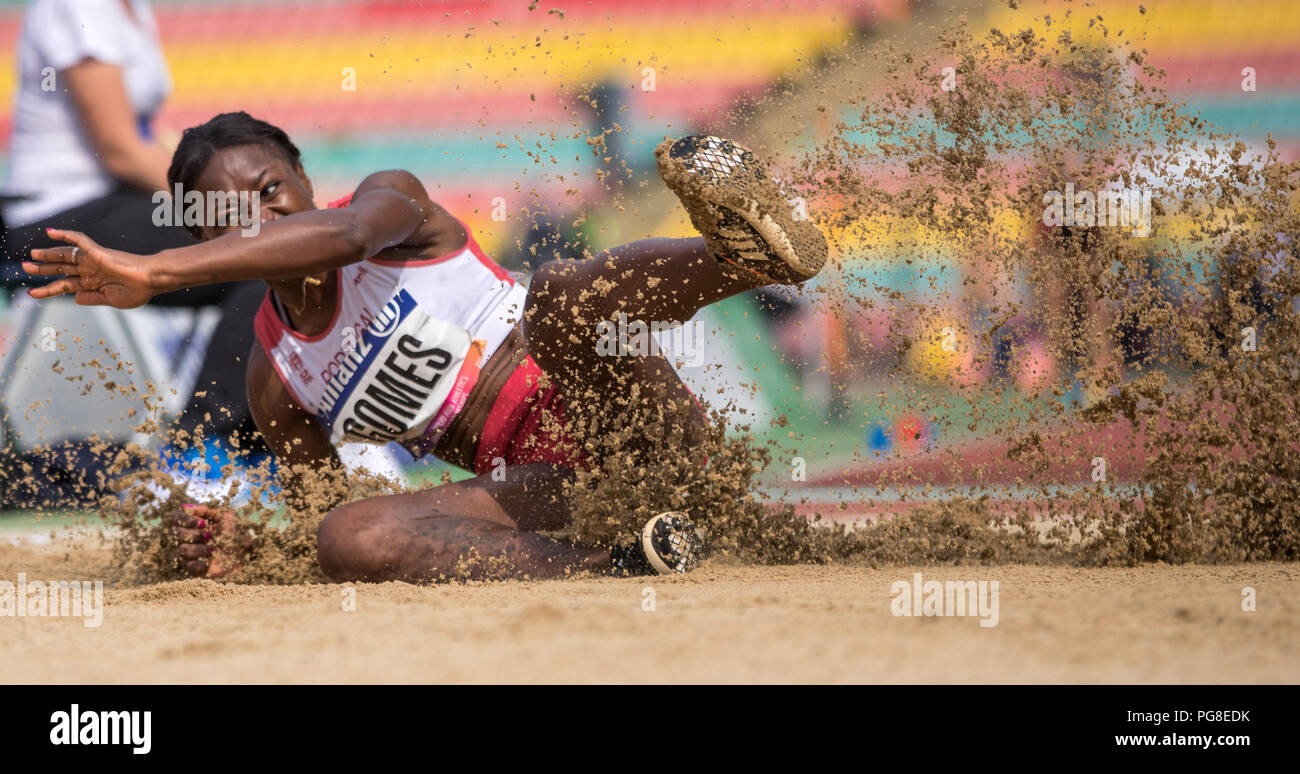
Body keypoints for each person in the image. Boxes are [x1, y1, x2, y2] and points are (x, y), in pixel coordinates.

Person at [23, 112, 828, 581]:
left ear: (303, 178)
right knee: (348, 538)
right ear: (205, 237)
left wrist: (153, 270)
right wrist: (242, 547)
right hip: (554, 496)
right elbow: (325, 520)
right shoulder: (277, 380)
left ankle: (746, 259)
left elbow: (338, 235)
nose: (265, 219)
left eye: (273, 191)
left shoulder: (390, 207)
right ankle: (626, 562)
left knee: (552, 300)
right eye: (233, 215)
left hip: (639, 422)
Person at [0, 0, 262, 459]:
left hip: (113, 204)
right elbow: (120, 149)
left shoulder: (131, 7)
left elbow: (144, 140)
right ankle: (200, 449)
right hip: (55, 217)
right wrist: (231, 209)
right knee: (256, 255)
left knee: (265, 244)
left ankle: (252, 441)